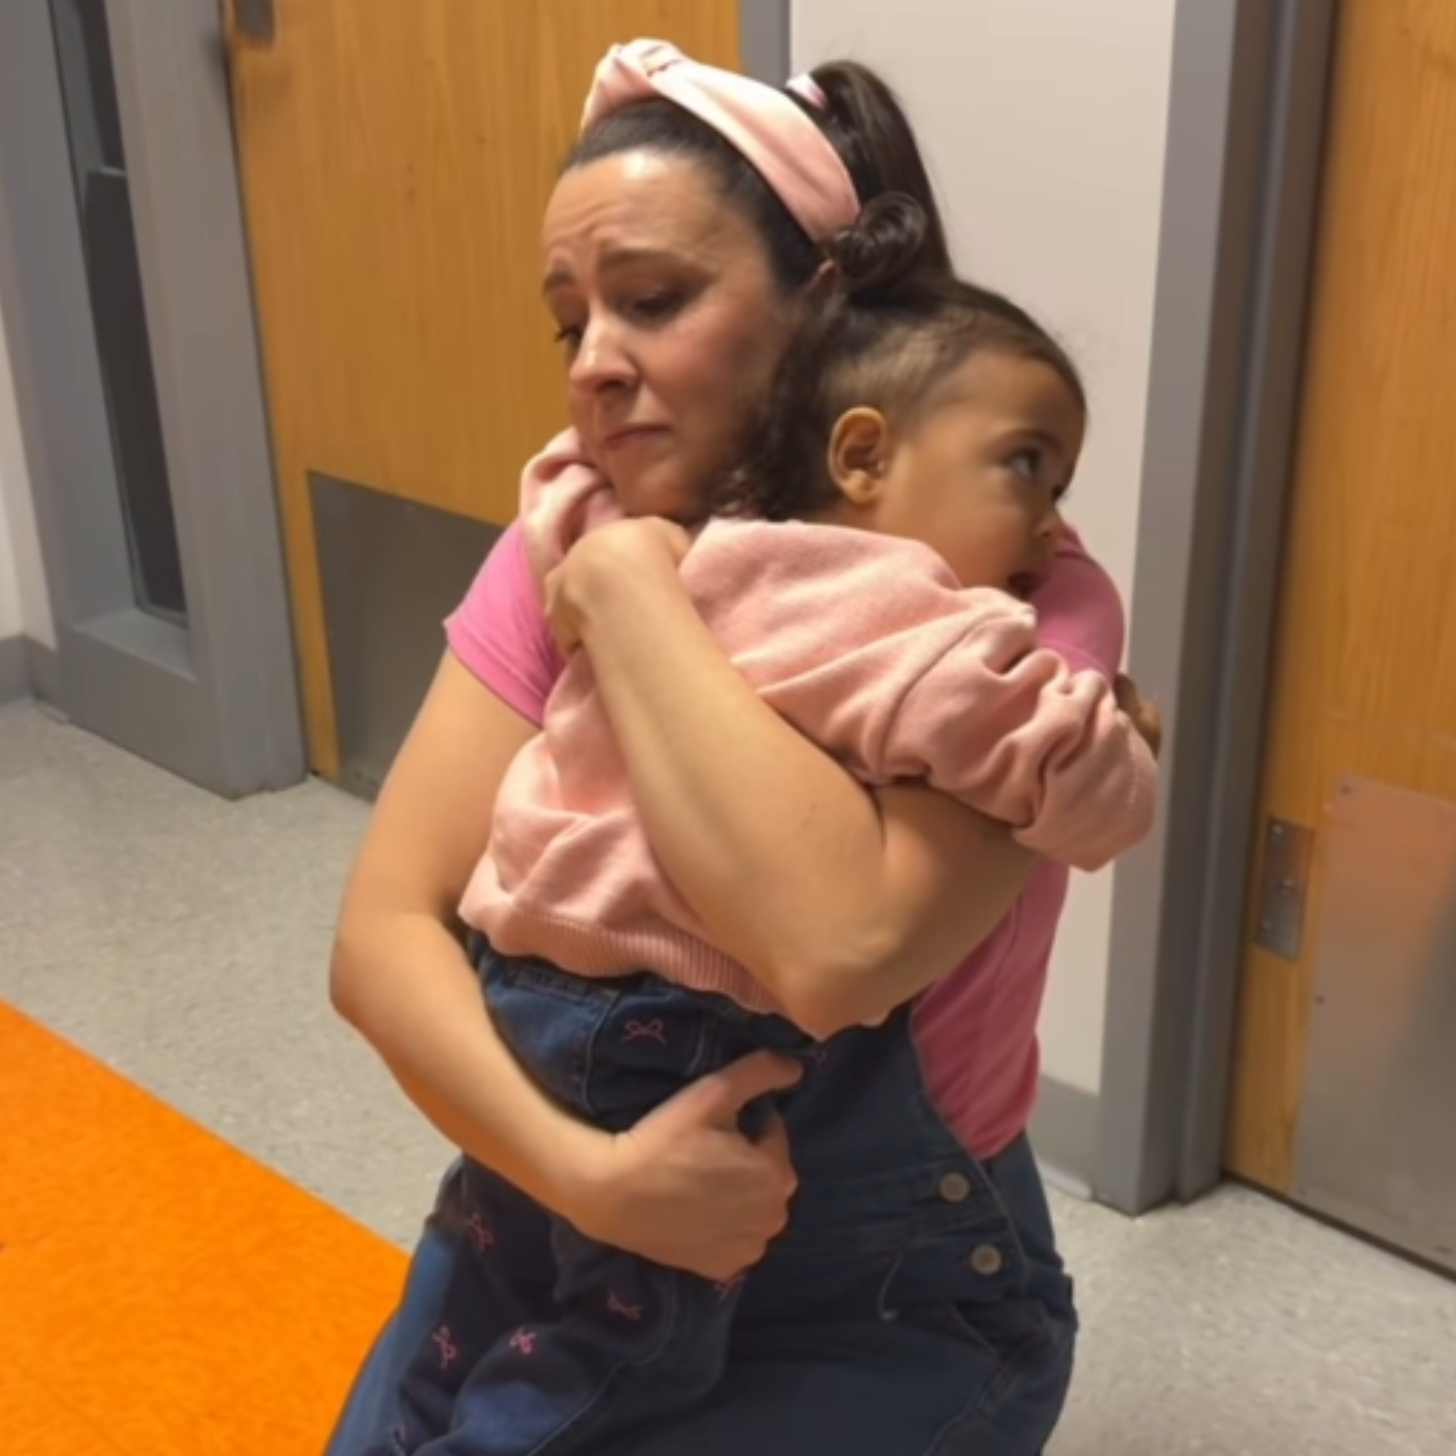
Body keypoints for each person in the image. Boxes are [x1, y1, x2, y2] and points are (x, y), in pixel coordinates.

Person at [326, 38, 1159, 1456]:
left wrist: (634, 595)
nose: (594, 364)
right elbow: (381, 938)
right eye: (569, 321)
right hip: (558, 1227)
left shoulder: (1002, 584)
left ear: (824, 313)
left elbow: (839, 952)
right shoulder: (564, 538)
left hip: (876, 1289)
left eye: (651, 301)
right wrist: (595, 1182)